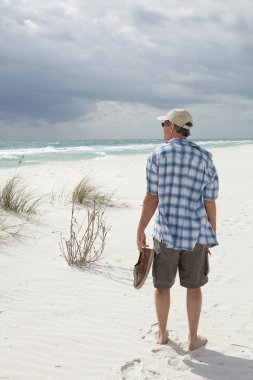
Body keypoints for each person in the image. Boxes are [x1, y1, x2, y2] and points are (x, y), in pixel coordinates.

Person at [136, 109, 219, 351]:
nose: (162, 127)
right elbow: (210, 200)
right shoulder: (204, 157)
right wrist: (211, 234)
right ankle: (193, 339)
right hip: (195, 234)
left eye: (164, 124)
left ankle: (162, 334)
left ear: (172, 126)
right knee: (194, 287)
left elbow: (152, 197)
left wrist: (141, 227)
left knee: (162, 287)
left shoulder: (157, 155)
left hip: (165, 233)